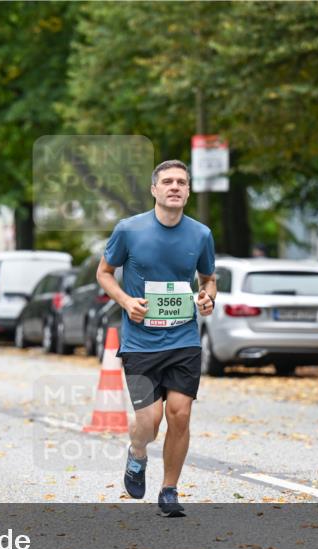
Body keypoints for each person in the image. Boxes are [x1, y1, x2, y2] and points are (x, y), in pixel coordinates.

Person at [96, 159, 217, 517]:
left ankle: (169, 490)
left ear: (188, 191)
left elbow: (208, 278)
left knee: (179, 414)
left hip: (183, 341)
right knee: (148, 420)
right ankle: (136, 455)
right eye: (167, 181)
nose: (175, 187)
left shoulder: (200, 234)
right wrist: (126, 301)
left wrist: (208, 297)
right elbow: (104, 273)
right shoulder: (129, 230)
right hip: (140, 342)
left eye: (182, 182)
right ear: (154, 190)